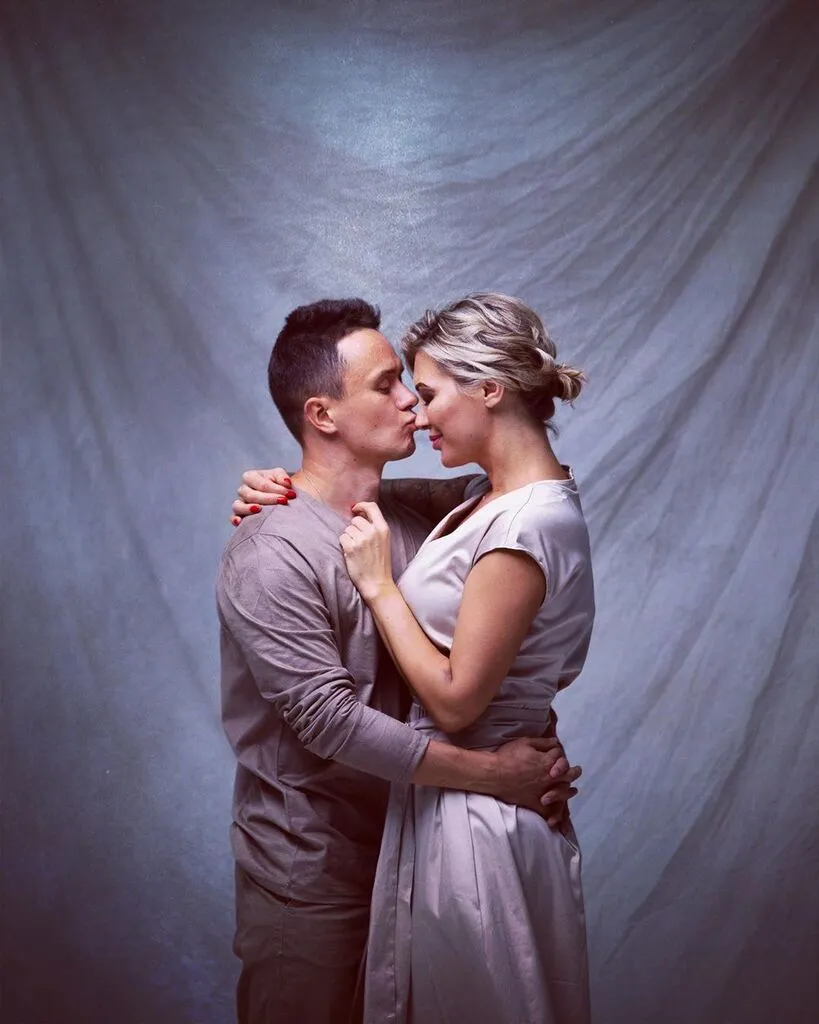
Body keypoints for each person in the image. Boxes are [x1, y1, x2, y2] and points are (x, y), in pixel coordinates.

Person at [216, 297, 581, 1024]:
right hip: (316, 876)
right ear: (321, 415)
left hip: (421, 847)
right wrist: (496, 774)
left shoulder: (419, 512)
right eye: (385, 385)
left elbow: (528, 488)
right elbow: (329, 721)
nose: (410, 399)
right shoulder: (266, 554)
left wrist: (528, 730)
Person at [338, 292, 594, 1022]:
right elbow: (354, 490)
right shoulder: (494, 498)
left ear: (489, 388)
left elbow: (455, 701)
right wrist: (285, 486)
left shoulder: (524, 525)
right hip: (463, 802)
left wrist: (379, 585)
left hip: (481, 822)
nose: (417, 416)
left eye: (427, 395)